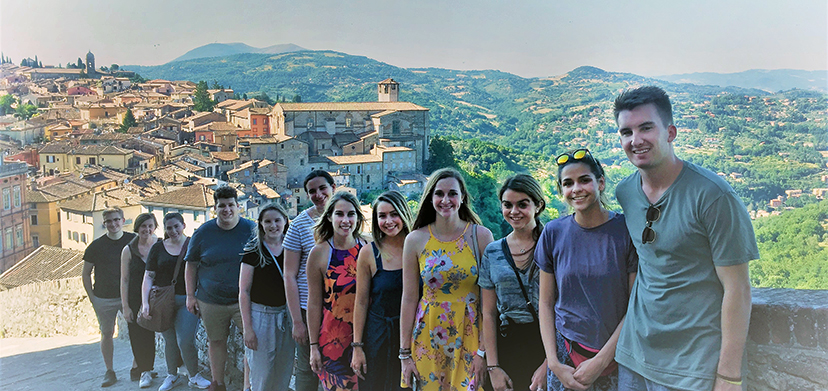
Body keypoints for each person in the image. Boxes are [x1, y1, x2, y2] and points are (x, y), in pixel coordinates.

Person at [613, 86, 758, 391]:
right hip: (634, 358)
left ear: (670, 132)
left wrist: (729, 376)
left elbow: (738, 288)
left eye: (646, 127)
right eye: (626, 131)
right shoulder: (625, 192)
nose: (635, 140)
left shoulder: (713, 196)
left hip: (692, 368)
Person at [535, 149, 637, 391]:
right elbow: (546, 303)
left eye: (584, 180)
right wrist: (553, 363)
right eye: (568, 183)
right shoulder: (553, 233)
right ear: (561, 191)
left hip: (617, 356)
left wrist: (601, 361)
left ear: (600, 183)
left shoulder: (625, 231)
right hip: (565, 357)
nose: (576, 189)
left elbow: (635, 306)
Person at [400, 168, 494, 390]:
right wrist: (404, 354)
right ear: (430, 198)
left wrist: (483, 350)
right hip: (427, 335)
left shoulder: (481, 236)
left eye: (452, 193)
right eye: (439, 194)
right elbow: (409, 298)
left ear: (462, 197)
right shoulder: (415, 240)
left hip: (470, 335)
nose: (445, 200)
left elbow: (490, 302)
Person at [479, 174, 548, 391]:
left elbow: (565, 307)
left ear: (538, 206)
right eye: (508, 205)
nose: (514, 211)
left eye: (522, 204)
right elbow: (488, 313)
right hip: (507, 343)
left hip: (547, 343)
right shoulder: (493, 252)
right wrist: (493, 367)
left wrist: (550, 365)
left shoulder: (553, 245)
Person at [185, 186, 257, 391]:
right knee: (215, 341)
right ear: (215, 208)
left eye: (230, 205)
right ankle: (218, 383)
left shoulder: (251, 229)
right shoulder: (203, 233)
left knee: (250, 343)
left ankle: (248, 386)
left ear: (238, 206)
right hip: (210, 300)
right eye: (222, 206)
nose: (226, 210)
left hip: (244, 300)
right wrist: (190, 296)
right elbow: (190, 265)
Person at [351, 191, 413, 391]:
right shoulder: (369, 253)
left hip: (414, 336)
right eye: (382, 216)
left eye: (394, 214)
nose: (389, 221)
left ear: (404, 214)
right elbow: (361, 302)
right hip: (377, 337)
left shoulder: (420, 246)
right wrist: (357, 347)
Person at [143, 213, 212, 391]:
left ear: (183, 225)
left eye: (176, 226)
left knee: (185, 340)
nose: (173, 231)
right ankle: (172, 374)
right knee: (170, 341)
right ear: (165, 229)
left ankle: (193, 375)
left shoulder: (193, 245)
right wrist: (145, 303)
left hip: (187, 300)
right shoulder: (158, 248)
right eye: (169, 227)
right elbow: (149, 276)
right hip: (163, 302)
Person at [307, 191, 366, 391]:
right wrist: (313, 346)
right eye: (340, 214)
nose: (345, 220)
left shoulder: (367, 247)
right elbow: (314, 303)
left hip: (368, 337)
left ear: (358, 218)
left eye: (351, 214)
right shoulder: (320, 253)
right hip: (333, 341)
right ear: (330, 216)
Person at [284, 170, 336, 391]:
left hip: (341, 307)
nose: (318, 194)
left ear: (333, 187)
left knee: (339, 364)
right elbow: (289, 275)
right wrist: (297, 321)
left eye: (322, 188)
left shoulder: (346, 218)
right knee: (307, 367)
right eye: (312, 191)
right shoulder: (299, 225)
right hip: (307, 309)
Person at [239, 204, 296, 391]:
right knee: (261, 374)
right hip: (260, 316)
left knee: (284, 371)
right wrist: (248, 329)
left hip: (286, 316)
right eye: (268, 221)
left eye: (277, 220)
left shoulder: (292, 248)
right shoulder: (253, 251)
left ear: (285, 221)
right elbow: (244, 291)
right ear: (261, 224)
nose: (273, 225)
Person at [82, 206, 137, 387]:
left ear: (123, 220)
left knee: (137, 331)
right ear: (104, 224)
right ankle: (109, 371)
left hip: (128, 296)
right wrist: (92, 298)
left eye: (116, 219)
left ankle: (138, 366)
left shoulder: (133, 241)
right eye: (109, 221)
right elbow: (86, 273)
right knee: (106, 333)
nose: (113, 224)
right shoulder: (96, 246)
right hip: (104, 297)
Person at [120, 213, 162, 388]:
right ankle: (144, 371)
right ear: (137, 228)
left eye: (150, 226)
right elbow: (124, 280)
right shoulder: (128, 250)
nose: (147, 229)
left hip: (158, 297)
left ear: (155, 227)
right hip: (135, 298)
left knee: (154, 333)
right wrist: (125, 306)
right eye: (143, 226)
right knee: (138, 335)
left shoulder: (159, 245)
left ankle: (150, 367)